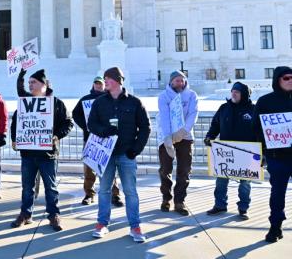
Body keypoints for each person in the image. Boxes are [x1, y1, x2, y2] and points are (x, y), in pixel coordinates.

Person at [88, 67, 151, 243]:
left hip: (126, 154)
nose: (105, 81)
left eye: (107, 78)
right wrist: (103, 130)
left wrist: (136, 149)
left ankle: (135, 226)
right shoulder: (100, 102)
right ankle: (102, 223)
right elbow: (91, 124)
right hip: (106, 155)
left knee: (130, 191)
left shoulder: (135, 102)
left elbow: (145, 128)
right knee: (104, 190)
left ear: (117, 80)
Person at [10, 69, 73, 232]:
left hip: (48, 154)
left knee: (50, 187)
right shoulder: (25, 103)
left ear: (44, 85)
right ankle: (25, 214)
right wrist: (14, 139)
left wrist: (57, 136)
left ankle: (53, 215)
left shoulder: (56, 103)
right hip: (29, 153)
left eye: (34, 82)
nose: (30, 85)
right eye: (29, 82)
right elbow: (16, 122)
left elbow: (68, 123)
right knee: (27, 186)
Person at [252, 66, 292, 243]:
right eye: (286, 78)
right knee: (277, 194)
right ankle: (275, 226)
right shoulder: (265, 102)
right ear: (277, 80)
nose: (290, 80)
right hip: (277, 157)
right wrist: (260, 153)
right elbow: (256, 130)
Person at [204, 82, 256, 220]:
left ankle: (243, 208)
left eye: (237, 92)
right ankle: (220, 205)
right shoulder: (224, 108)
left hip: (247, 153)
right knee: (221, 180)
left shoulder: (253, 109)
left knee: (245, 183)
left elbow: (260, 131)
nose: (233, 93)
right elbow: (215, 125)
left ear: (244, 94)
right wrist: (210, 136)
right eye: (233, 91)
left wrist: (262, 153)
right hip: (225, 152)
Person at [72, 76, 123, 206]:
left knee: (109, 167)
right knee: (89, 168)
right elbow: (75, 114)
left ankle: (115, 194)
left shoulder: (111, 98)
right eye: (96, 83)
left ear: (104, 85)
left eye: (100, 84)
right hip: (90, 138)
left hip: (107, 138)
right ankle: (89, 194)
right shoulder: (85, 99)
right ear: (93, 85)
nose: (98, 86)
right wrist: (85, 125)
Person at [157, 70, 199, 216]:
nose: (179, 83)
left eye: (182, 80)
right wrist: (168, 137)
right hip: (167, 136)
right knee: (165, 169)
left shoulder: (191, 95)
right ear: (171, 82)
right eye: (176, 80)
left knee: (184, 170)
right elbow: (164, 116)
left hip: (185, 137)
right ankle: (166, 198)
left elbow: (193, 114)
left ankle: (179, 201)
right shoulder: (163, 96)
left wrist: (183, 131)